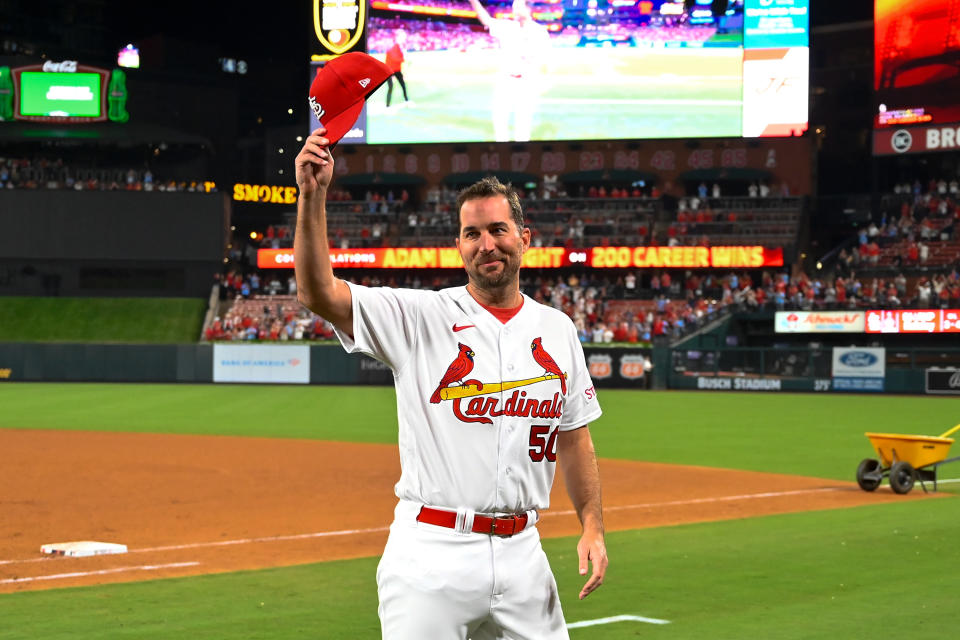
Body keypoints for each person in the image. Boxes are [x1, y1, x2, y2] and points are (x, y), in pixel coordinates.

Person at [294, 128, 607, 639]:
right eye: (472, 233)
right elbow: (318, 291)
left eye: (499, 230)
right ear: (459, 246)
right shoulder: (420, 316)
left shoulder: (557, 329)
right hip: (431, 556)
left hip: (524, 554)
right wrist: (313, 195)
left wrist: (591, 524)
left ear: (524, 238)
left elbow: (574, 436)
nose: (487, 244)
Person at [468, 0, 550, 142]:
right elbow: (486, 19)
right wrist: (473, 1)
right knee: (500, 118)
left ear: (528, 9)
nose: (514, 10)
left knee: (523, 121)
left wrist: (540, 75)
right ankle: (502, 151)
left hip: (527, 81)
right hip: (505, 79)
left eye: (518, 7)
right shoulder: (506, 27)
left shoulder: (539, 31)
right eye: (513, 7)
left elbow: (544, 59)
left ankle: (523, 152)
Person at [384, 30, 411, 109]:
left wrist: (403, 59)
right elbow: (395, 58)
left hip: (396, 70)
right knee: (391, 87)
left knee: (402, 85)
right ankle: (388, 105)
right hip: (389, 71)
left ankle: (406, 100)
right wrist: (404, 59)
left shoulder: (398, 46)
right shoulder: (394, 46)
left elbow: (398, 58)